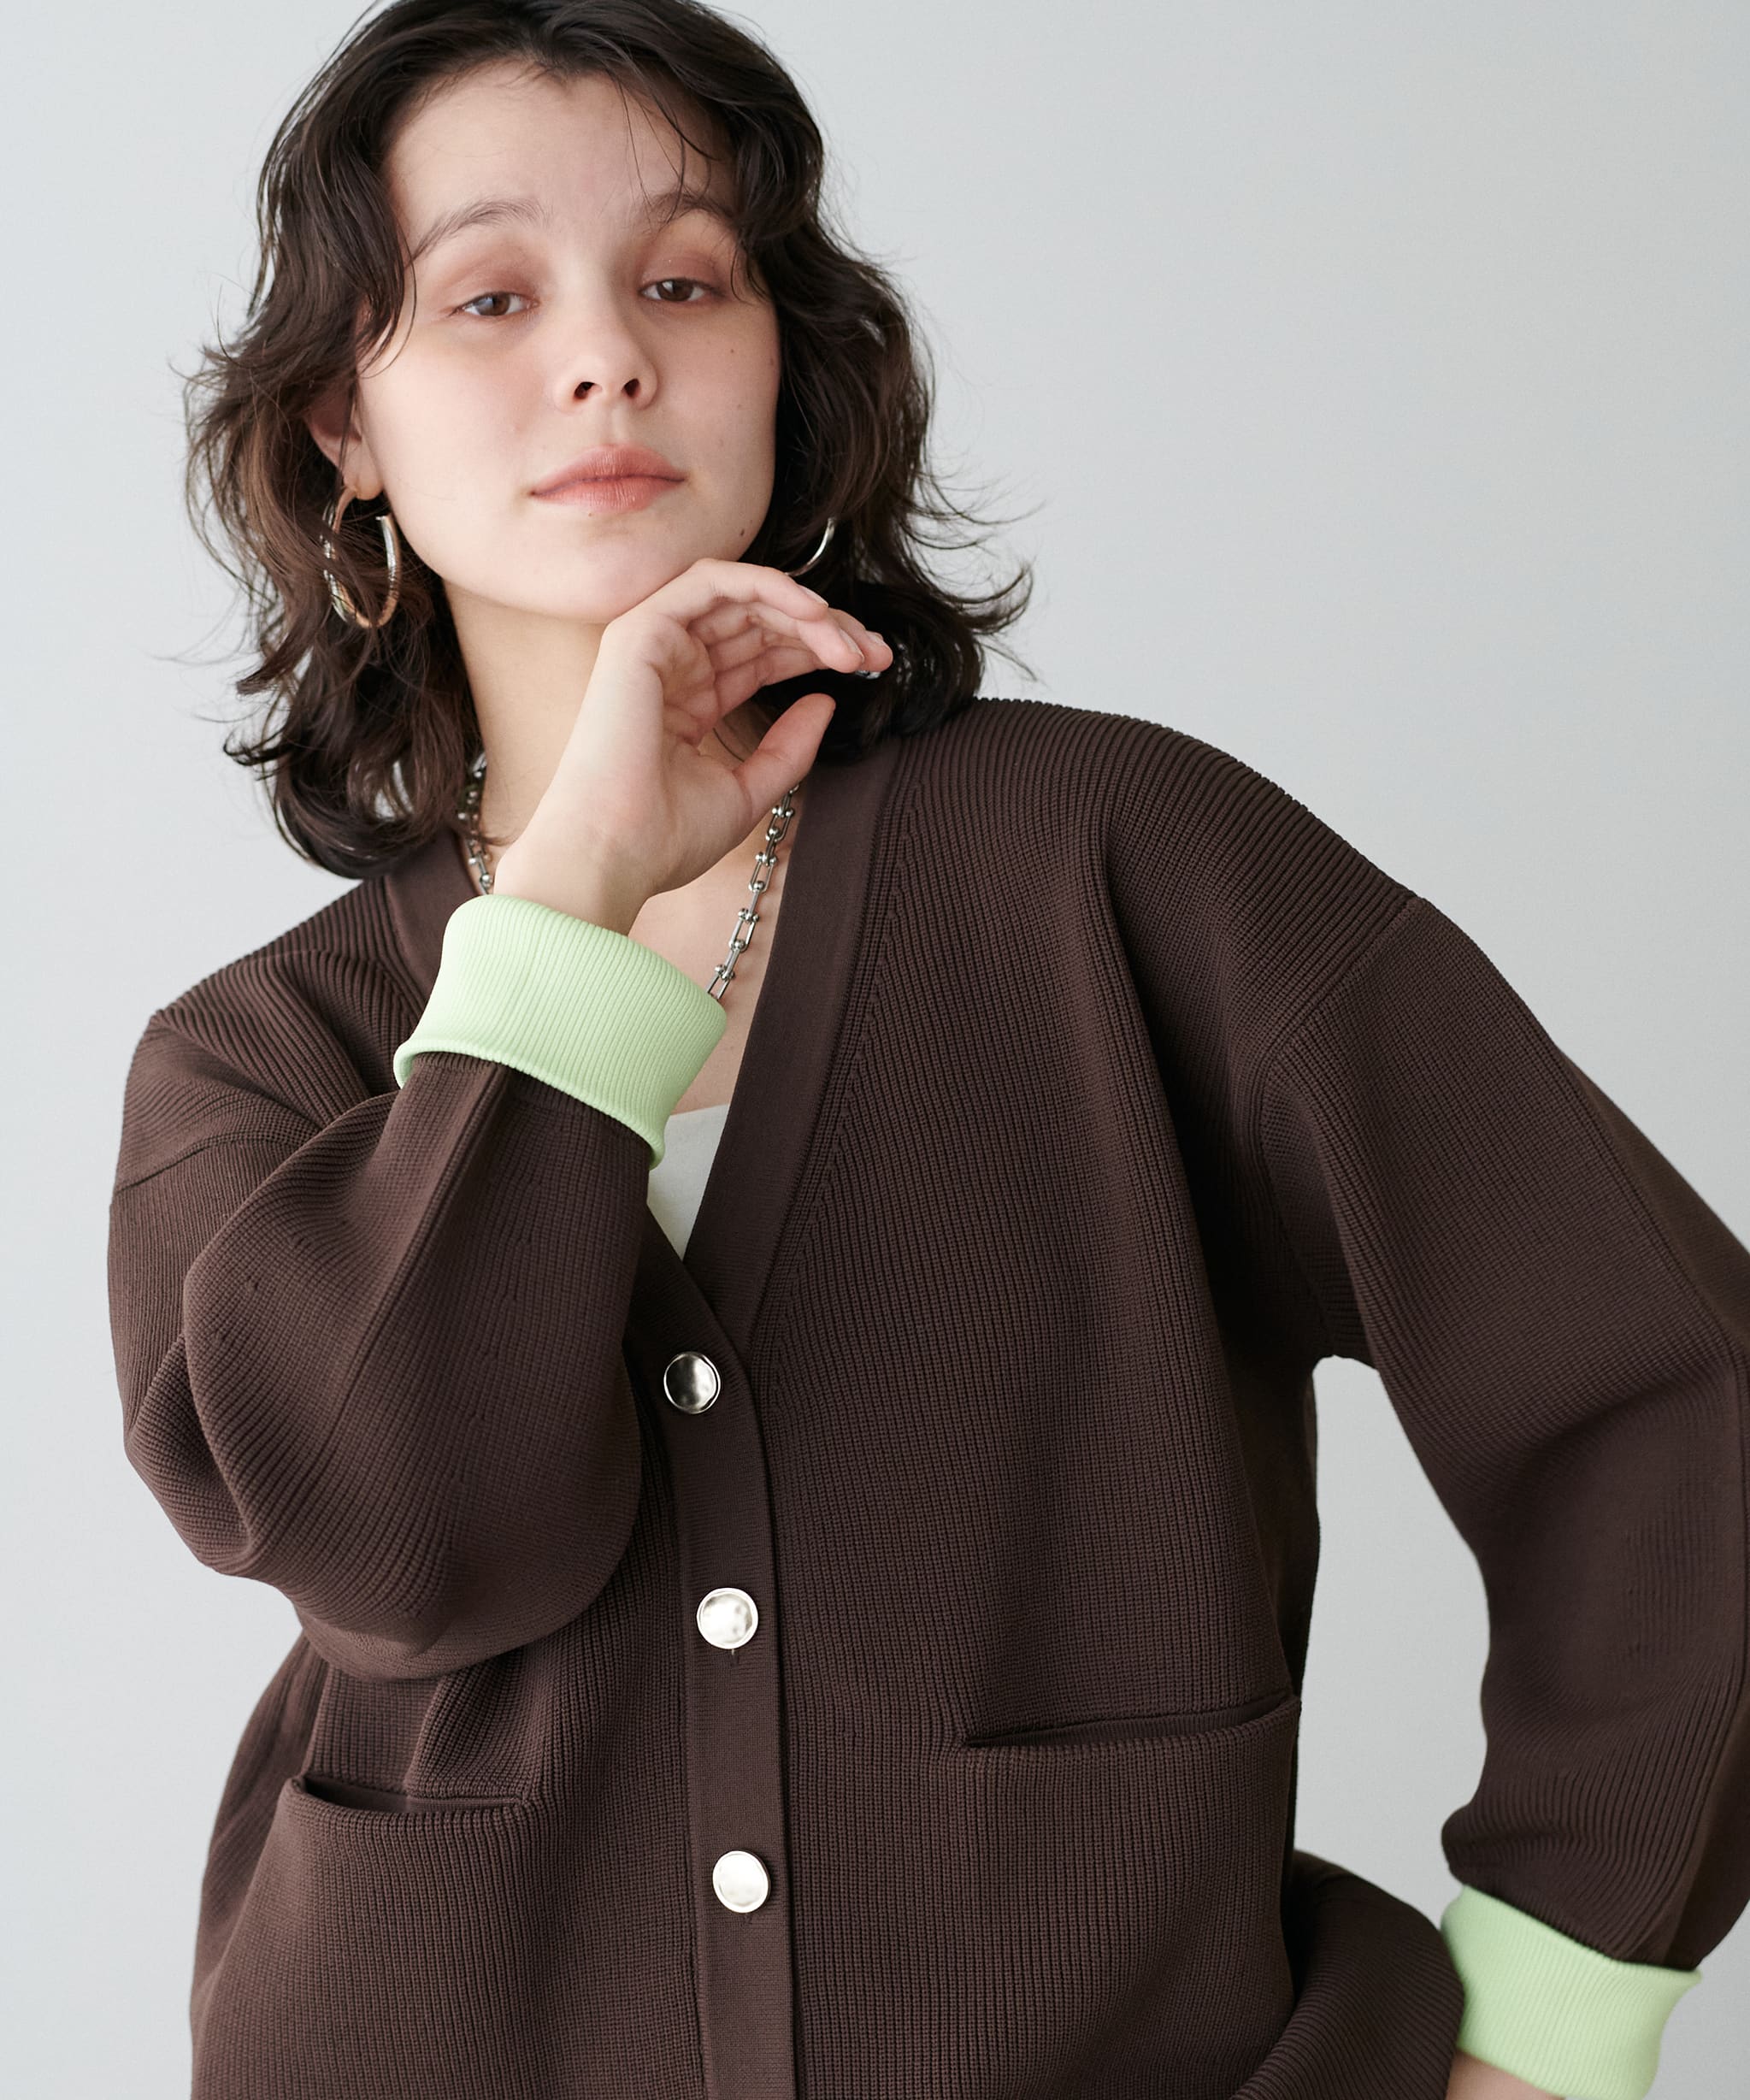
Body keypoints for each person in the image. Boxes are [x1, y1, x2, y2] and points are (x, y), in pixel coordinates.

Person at [107, 3, 1748, 2097]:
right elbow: (419, 1548)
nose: (607, 356)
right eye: (491, 296)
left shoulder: (1125, 865)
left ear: (788, 356)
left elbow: (1666, 1394)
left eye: (685, 281)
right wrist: (579, 886)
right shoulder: (254, 1067)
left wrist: (1554, 2021)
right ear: (346, 423)